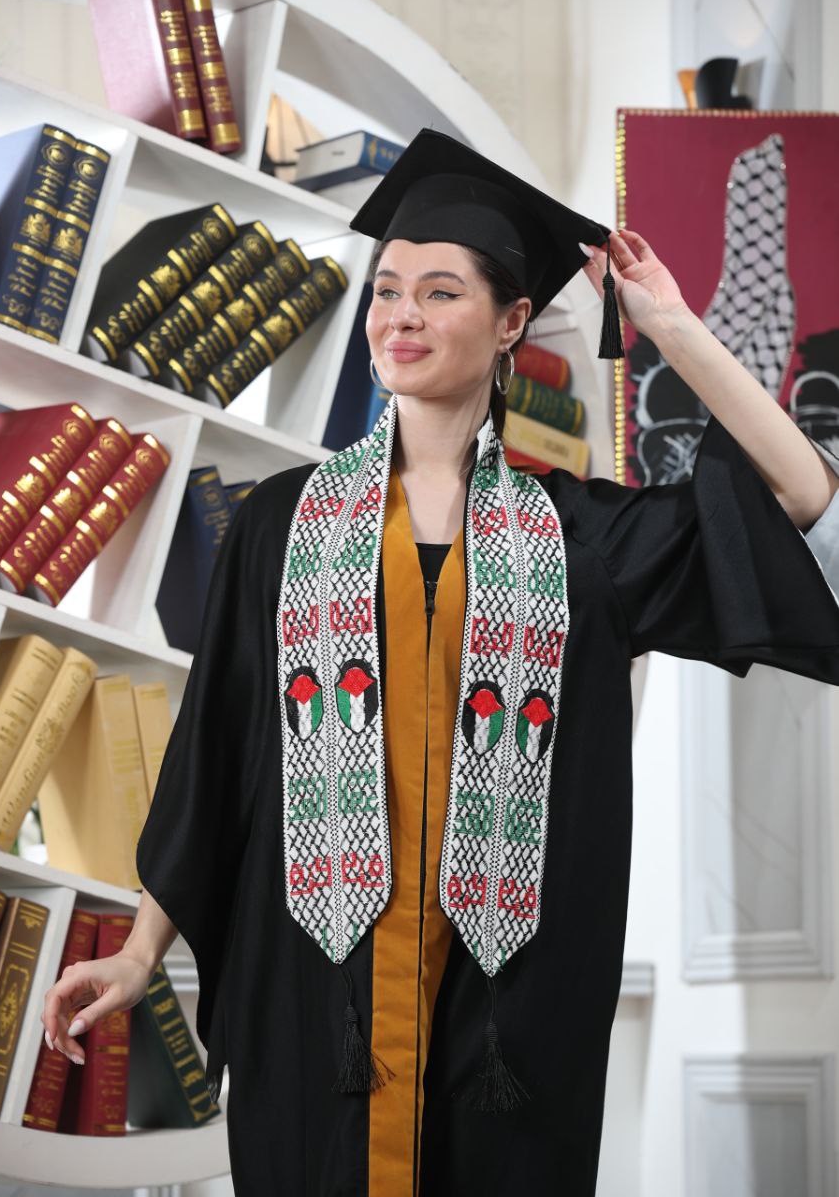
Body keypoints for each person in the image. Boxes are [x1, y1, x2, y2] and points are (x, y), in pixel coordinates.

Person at [41, 129, 839, 1197]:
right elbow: (215, 752)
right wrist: (139, 952)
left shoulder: (581, 537)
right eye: (385, 289)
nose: (400, 315)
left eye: (438, 290)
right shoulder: (280, 524)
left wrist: (671, 328)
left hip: (507, 1007)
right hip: (314, 995)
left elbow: (798, 499)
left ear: (512, 321)